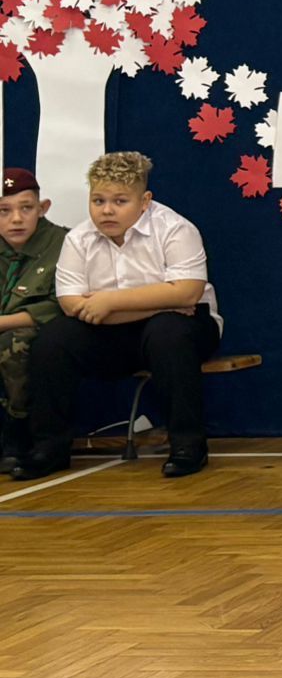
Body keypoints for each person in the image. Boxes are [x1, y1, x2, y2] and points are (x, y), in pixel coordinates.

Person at [10, 153, 221, 480]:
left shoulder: (176, 229)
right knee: (54, 340)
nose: (107, 210)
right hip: (111, 329)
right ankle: (49, 447)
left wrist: (110, 301)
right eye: (99, 201)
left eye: (120, 201)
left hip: (185, 324)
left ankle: (187, 445)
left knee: (168, 332)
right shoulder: (78, 239)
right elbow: (72, 305)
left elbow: (189, 293)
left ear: (145, 201)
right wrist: (161, 300)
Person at [0, 169, 67, 469]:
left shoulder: (64, 244)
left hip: (39, 332)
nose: (16, 219)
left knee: (14, 344)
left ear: (43, 208)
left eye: (26, 208)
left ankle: (19, 430)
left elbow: (59, 305)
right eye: (4, 211)